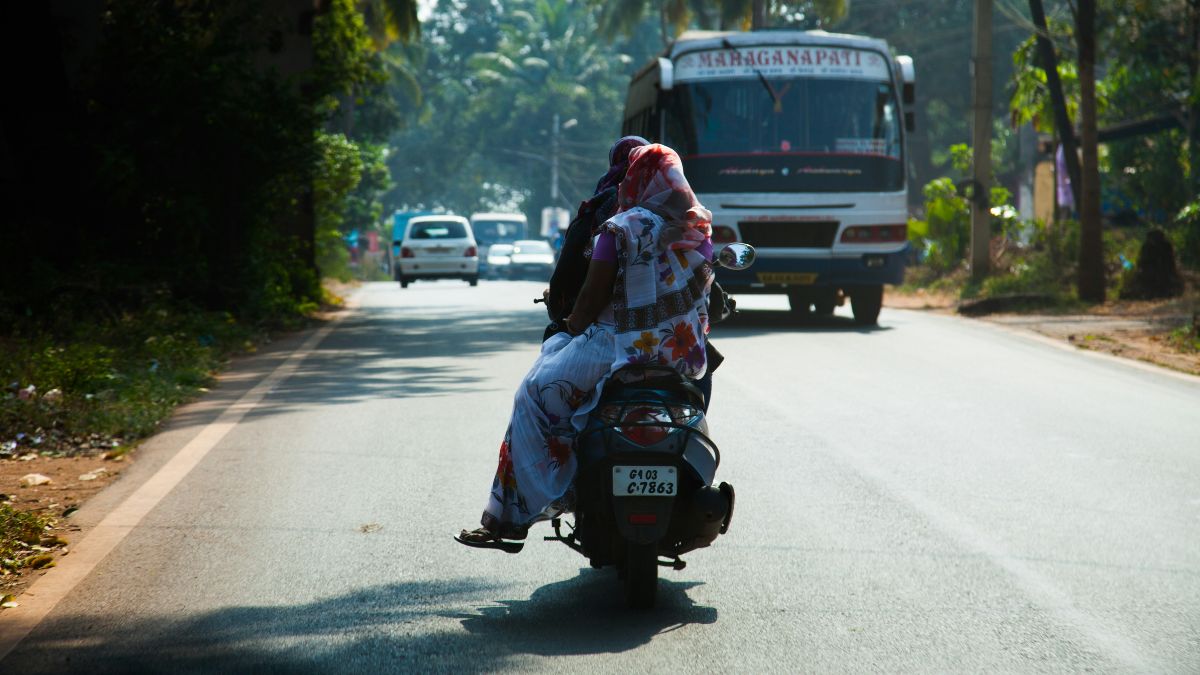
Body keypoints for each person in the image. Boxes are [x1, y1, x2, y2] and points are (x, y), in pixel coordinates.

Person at [456, 144, 714, 549]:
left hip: (613, 350)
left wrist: (572, 326)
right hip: (682, 356)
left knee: (532, 395)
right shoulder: (700, 230)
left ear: (636, 180)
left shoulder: (619, 229)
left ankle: (525, 508)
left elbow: (591, 299)